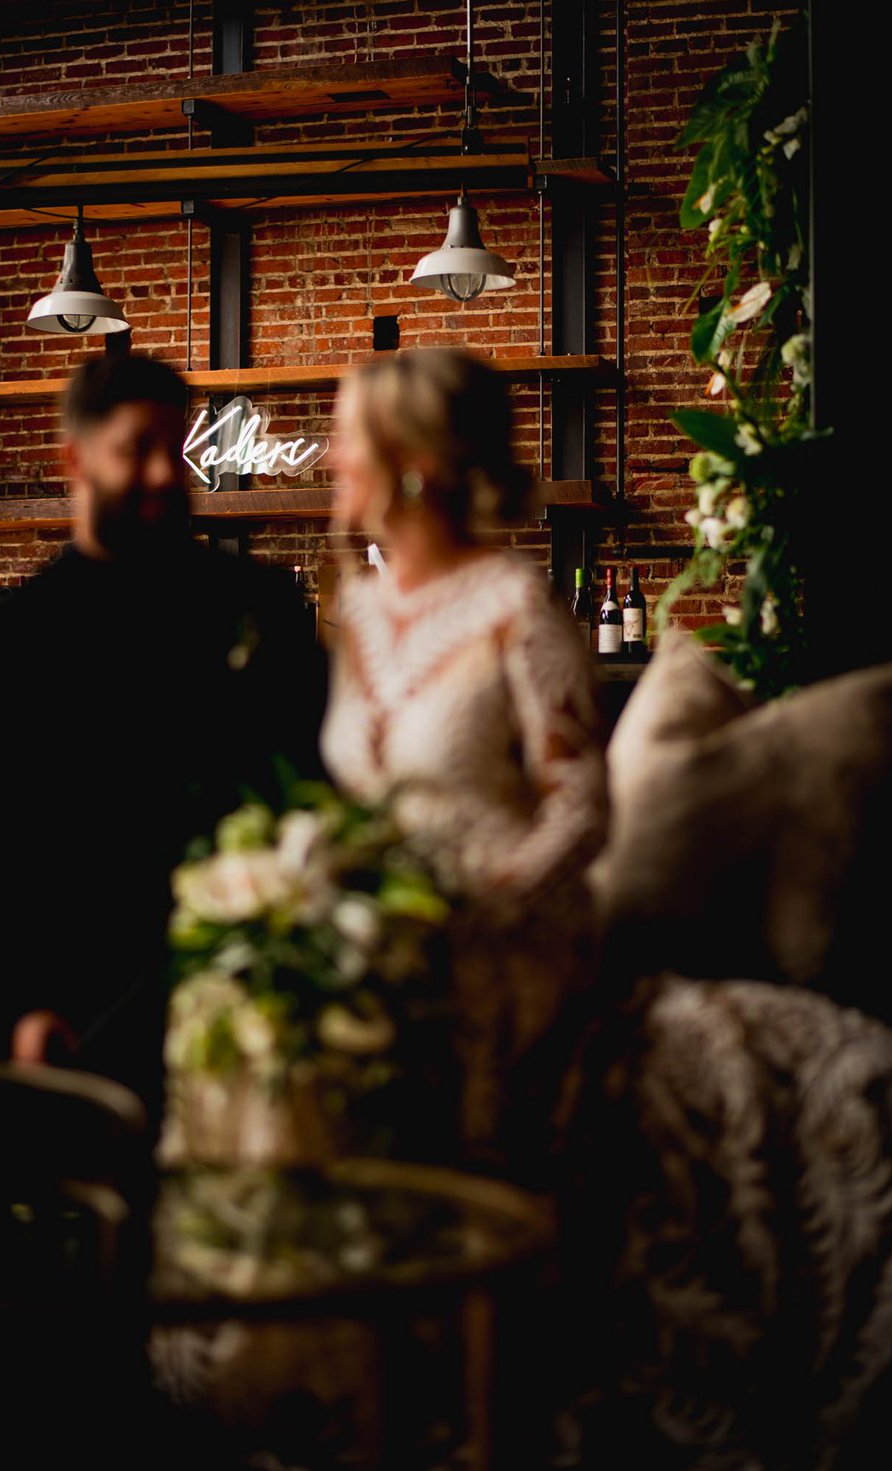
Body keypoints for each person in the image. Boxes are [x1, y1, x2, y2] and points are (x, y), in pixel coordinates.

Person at [0, 353, 325, 1121]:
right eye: (133, 450)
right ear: (73, 460)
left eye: (172, 451)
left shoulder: (261, 608)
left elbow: (310, 783)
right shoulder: (3, 644)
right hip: (70, 995)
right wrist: (26, 1002)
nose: (158, 474)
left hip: (244, 978)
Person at [320, 347, 608, 1178]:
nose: (331, 455)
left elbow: (584, 809)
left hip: (509, 945)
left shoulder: (518, 604)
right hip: (386, 939)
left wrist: (478, 914)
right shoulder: (358, 607)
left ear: (412, 461)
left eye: (346, 436)